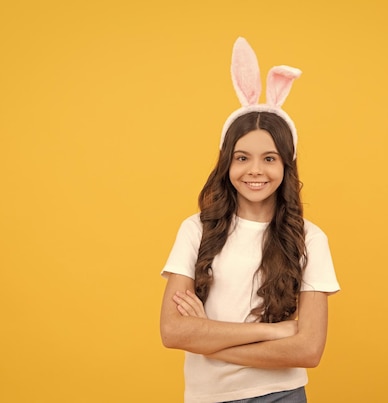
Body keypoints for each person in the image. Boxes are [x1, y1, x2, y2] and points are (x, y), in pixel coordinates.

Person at [160, 37, 340, 403]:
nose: (255, 170)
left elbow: (308, 350)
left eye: (269, 158)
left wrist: (207, 339)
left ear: (286, 165)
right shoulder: (196, 230)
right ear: (227, 163)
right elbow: (172, 331)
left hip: (281, 395)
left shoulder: (310, 238)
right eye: (242, 158)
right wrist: (275, 333)